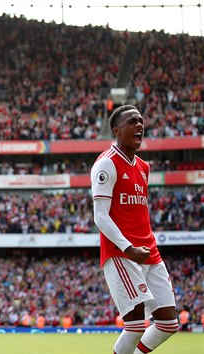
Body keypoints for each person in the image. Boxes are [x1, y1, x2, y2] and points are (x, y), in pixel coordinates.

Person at [91, 105, 178, 354]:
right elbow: (100, 216)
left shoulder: (143, 167)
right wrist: (128, 248)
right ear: (117, 130)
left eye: (141, 121)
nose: (139, 125)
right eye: (132, 121)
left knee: (168, 323)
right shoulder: (106, 164)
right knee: (135, 326)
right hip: (123, 254)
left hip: (149, 250)